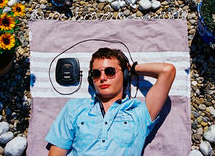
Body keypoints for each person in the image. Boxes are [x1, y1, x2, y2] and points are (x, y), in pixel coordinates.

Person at [45, 47, 176, 156]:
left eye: (110, 71)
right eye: (96, 74)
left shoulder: (139, 114)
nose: (102, 78)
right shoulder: (74, 108)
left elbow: (167, 71)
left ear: (124, 75)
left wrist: (132, 69)